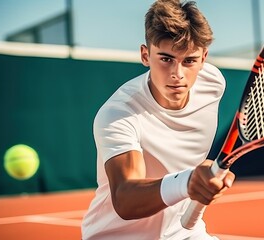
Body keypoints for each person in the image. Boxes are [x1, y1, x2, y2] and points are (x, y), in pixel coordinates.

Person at [81, 0, 235, 239]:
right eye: (166, 59)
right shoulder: (119, 114)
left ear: (204, 58)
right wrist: (188, 182)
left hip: (184, 232)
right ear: (145, 55)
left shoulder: (213, 83)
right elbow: (125, 198)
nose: (177, 74)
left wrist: (200, 180)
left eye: (189, 61)